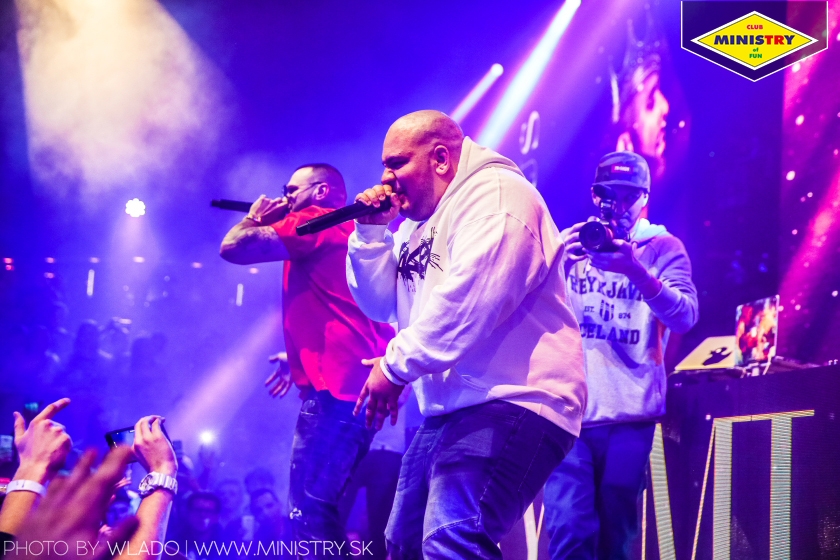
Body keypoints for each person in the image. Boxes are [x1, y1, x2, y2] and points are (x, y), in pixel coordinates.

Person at [347, 110, 587, 559]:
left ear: (440, 158)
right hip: (454, 408)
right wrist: (371, 233)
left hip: (515, 399)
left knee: (453, 535)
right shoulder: (420, 222)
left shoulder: (499, 197)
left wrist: (394, 368)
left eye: (397, 163)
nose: (385, 178)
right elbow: (380, 304)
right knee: (405, 544)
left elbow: (469, 305)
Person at [219, 163, 394, 554]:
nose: (284, 198)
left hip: (338, 392)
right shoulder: (346, 232)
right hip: (356, 385)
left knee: (308, 512)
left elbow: (233, 247)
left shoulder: (314, 221)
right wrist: (296, 353)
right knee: (319, 507)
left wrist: (255, 218)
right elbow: (347, 310)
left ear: (320, 192)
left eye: (290, 190)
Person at [542, 151, 698, 559]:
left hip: (630, 415)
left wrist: (637, 272)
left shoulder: (664, 248)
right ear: (596, 196)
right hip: (569, 412)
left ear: (645, 197)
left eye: (630, 196)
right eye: (610, 195)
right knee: (569, 532)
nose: (620, 206)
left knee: (617, 538)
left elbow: (685, 316)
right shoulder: (572, 244)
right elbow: (527, 314)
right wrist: (552, 267)